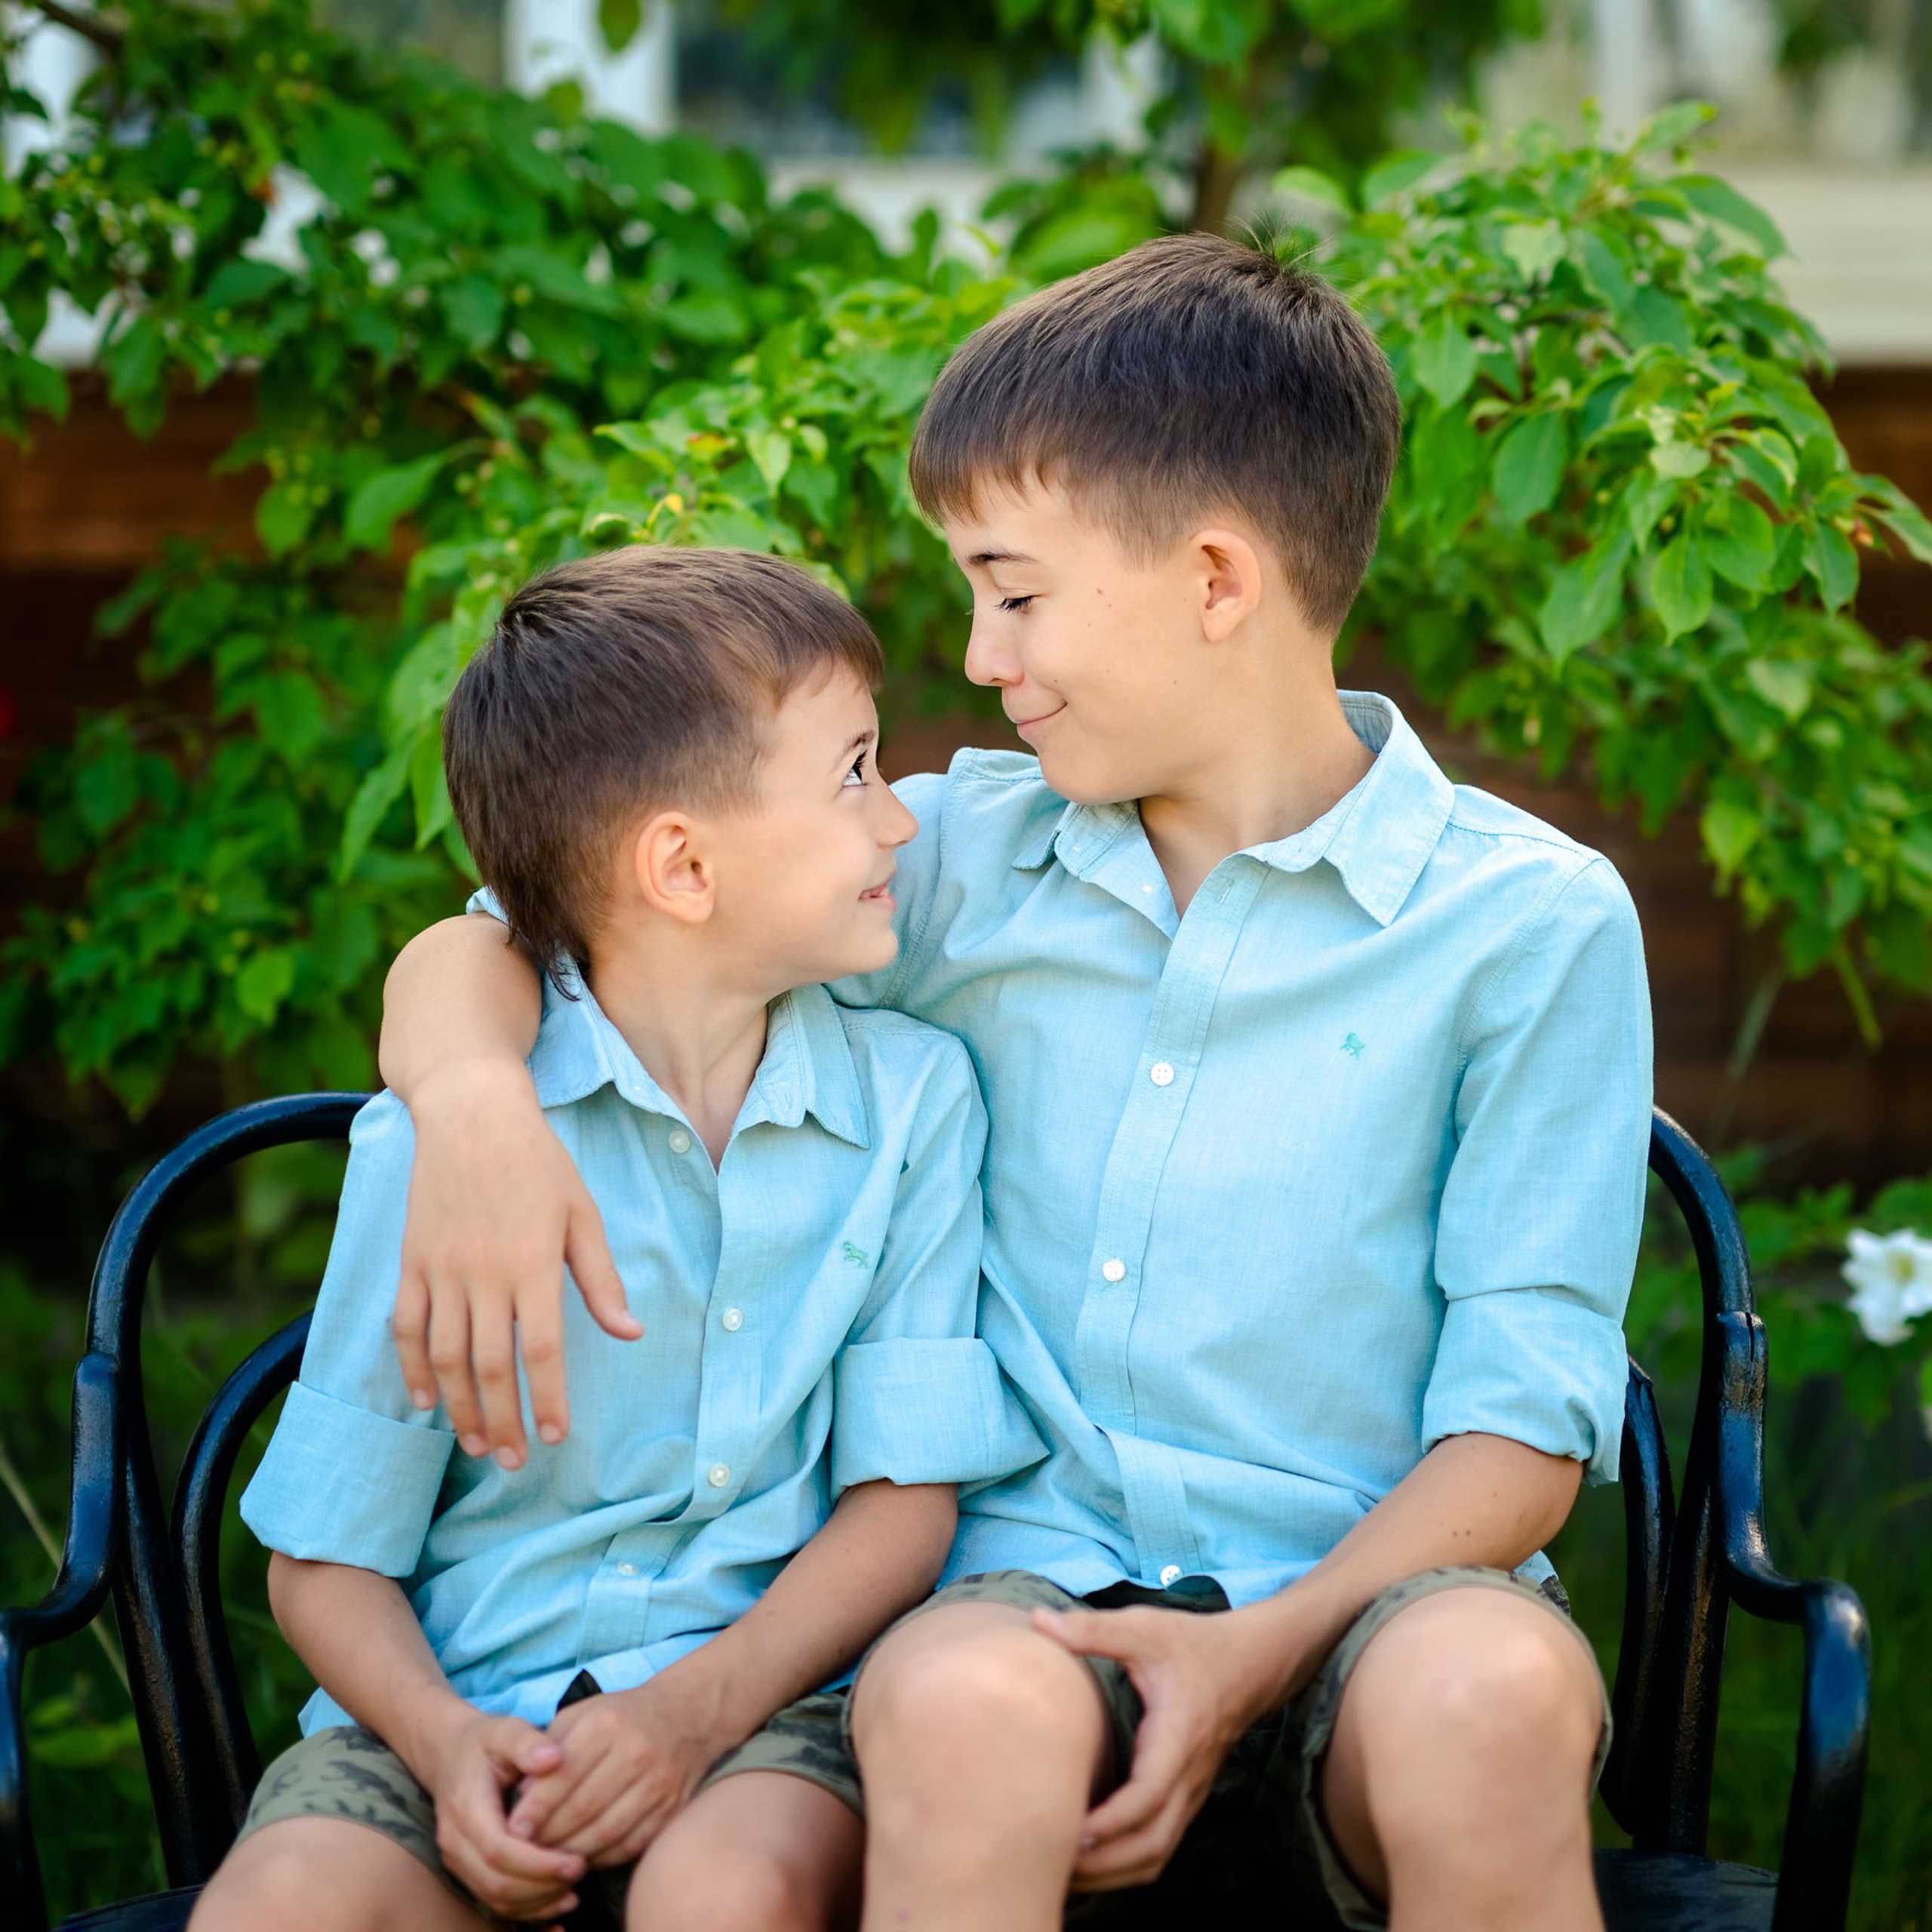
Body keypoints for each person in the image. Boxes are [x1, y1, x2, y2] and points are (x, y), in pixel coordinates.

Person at [376, 235, 1653, 1932]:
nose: (981, 654)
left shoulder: (1529, 922)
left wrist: (1261, 1651)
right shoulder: (954, 858)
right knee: (960, 1708)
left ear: (1216, 581)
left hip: (1378, 1599)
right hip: (1019, 1603)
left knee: (1489, 1700)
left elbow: (1522, 1420)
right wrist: (471, 1103)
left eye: (1015, 590)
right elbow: (530, 930)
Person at [189, 546, 1041, 1932]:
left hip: (766, 1707)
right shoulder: (447, 1153)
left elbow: (904, 1501)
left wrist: (689, 1713)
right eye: (854, 773)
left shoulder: (911, 1107)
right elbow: (327, 1560)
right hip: (458, 1707)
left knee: (729, 1893)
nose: (901, 820)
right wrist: (445, 1747)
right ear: (683, 867)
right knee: (283, 1908)